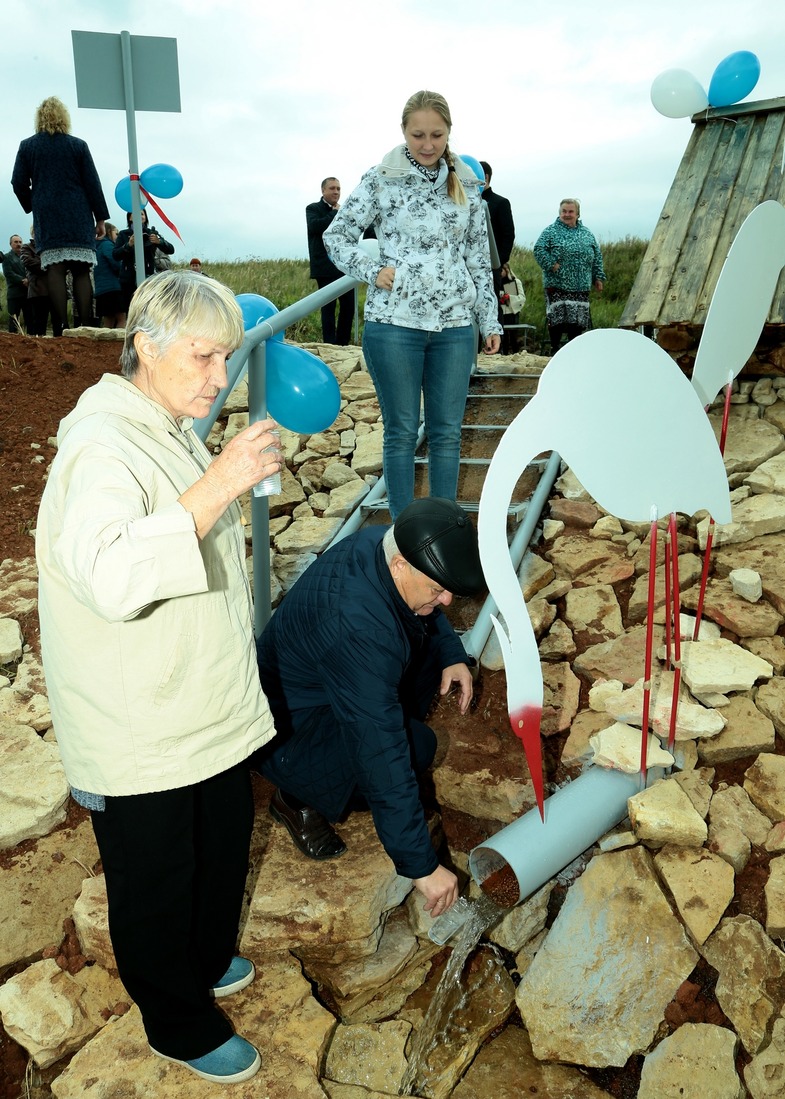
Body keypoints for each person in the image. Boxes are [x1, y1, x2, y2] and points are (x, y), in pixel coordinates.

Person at [36, 270, 284, 1085]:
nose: (220, 379)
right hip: (138, 718)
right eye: (205, 356)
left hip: (196, 701)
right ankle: (175, 1021)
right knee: (155, 879)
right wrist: (220, 484)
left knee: (219, 845)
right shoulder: (99, 444)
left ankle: (206, 958)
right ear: (145, 344)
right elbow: (111, 573)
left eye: (226, 357)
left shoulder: (163, 420)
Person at [253, 496, 485, 918]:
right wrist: (422, 865)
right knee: (415, 749)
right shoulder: (357, 626)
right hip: (287, 732)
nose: (448, 601)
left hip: (318, 688)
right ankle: (296, 797)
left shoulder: (384, 544)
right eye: (439, 589)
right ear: (401, 566)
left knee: (420, 652)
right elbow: (378, 746)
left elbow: (427, 605)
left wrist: (451, 651)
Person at [324, 90, 502, 519]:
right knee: (401, 432)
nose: (427, 144)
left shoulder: (470, 186)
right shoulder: (381, 178)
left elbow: (478, 259)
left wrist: (489, 320)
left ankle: (445, 527)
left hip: (456, 326)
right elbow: (337, 236)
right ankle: (403, 534)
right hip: (394, 325)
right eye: (418, 134)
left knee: (447, 433)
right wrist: (372, 271)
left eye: (436, 134)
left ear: (449, 133)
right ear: (403, 132)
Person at [11, 96, 109, 337]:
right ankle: (84, 327)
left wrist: (33, 203)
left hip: (48, 213)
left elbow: (17, 182)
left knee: (54, 269)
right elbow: (92, 184)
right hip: (78, 211)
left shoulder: (27, 146)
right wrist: (100, 218)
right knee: (81, 271)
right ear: (64, 118)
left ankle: (60, 327)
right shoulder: (78, 145)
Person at [533, 198, 606, 353]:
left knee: (578, 322)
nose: (567, 214)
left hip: (581, 285)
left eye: (570, 211)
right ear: (559, 213)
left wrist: (598, 277)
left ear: (577, 214)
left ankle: (573, 352)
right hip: (558, 284)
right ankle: (555, 350)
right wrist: (551, 264)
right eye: (564, 211)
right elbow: (539, 250)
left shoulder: (586, 233)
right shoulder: (550, 232)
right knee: (558, 320)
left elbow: (597, 256)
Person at [305, 177, 355, 345]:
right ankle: (329, 344)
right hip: (324, 267)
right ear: (323, 191)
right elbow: (316, 227)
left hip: (344, 267)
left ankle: (343, 344)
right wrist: (335, 213)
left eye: (339, 189)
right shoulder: (313, 208)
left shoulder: (346, 210)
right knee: (328, 308)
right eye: (332, 188)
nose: (336, 192)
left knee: (348, 307)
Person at [479, 161, 518, 354]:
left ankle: (495, 350)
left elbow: (508, 235)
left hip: (490, 266)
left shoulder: (499, 202)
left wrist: (498, 263)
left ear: (485, 177)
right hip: (464, 267)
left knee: (492, 305)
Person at [113, 208, 175, 311]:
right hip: (128, 279)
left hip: (147, 276)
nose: (140, 216)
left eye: (142, 214)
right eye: (136, 213)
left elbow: (171, 249)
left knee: (146, 309)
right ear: (130, 217)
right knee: (130, 309)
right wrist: (128, 245)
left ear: (145, 217)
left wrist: (159, 242)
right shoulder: (123, 234)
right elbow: (115, 255)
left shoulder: (151, 233)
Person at [94, 223, 126, 329]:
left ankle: (104, 344)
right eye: (115, 233)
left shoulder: (97, 246)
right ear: (108, 232)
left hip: (101, 288)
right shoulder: (107, 245)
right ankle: (118, 344)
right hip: (112, 287)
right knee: (122, 319)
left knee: (109, 320)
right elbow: (115, 263)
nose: (117, 235)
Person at [21, 227, 51, 336]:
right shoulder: (26, 247)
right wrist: (50, 266)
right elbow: (29, 263)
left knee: (59, 323)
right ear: (33, 233)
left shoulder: (52, 246)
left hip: (56, 289)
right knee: (39, 324)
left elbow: (63, 266)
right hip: (38, 290)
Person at [2, 234, 29, 332]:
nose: (18, 244)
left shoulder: (25, 256)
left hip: (27, 293)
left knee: (29, 320)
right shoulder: (6, 257)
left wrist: (29, 279)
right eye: (16, 242)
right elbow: (9, 274)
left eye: (20, 242)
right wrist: (23, 280)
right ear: (10, 244)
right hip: (14, 294)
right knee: (13, 321)